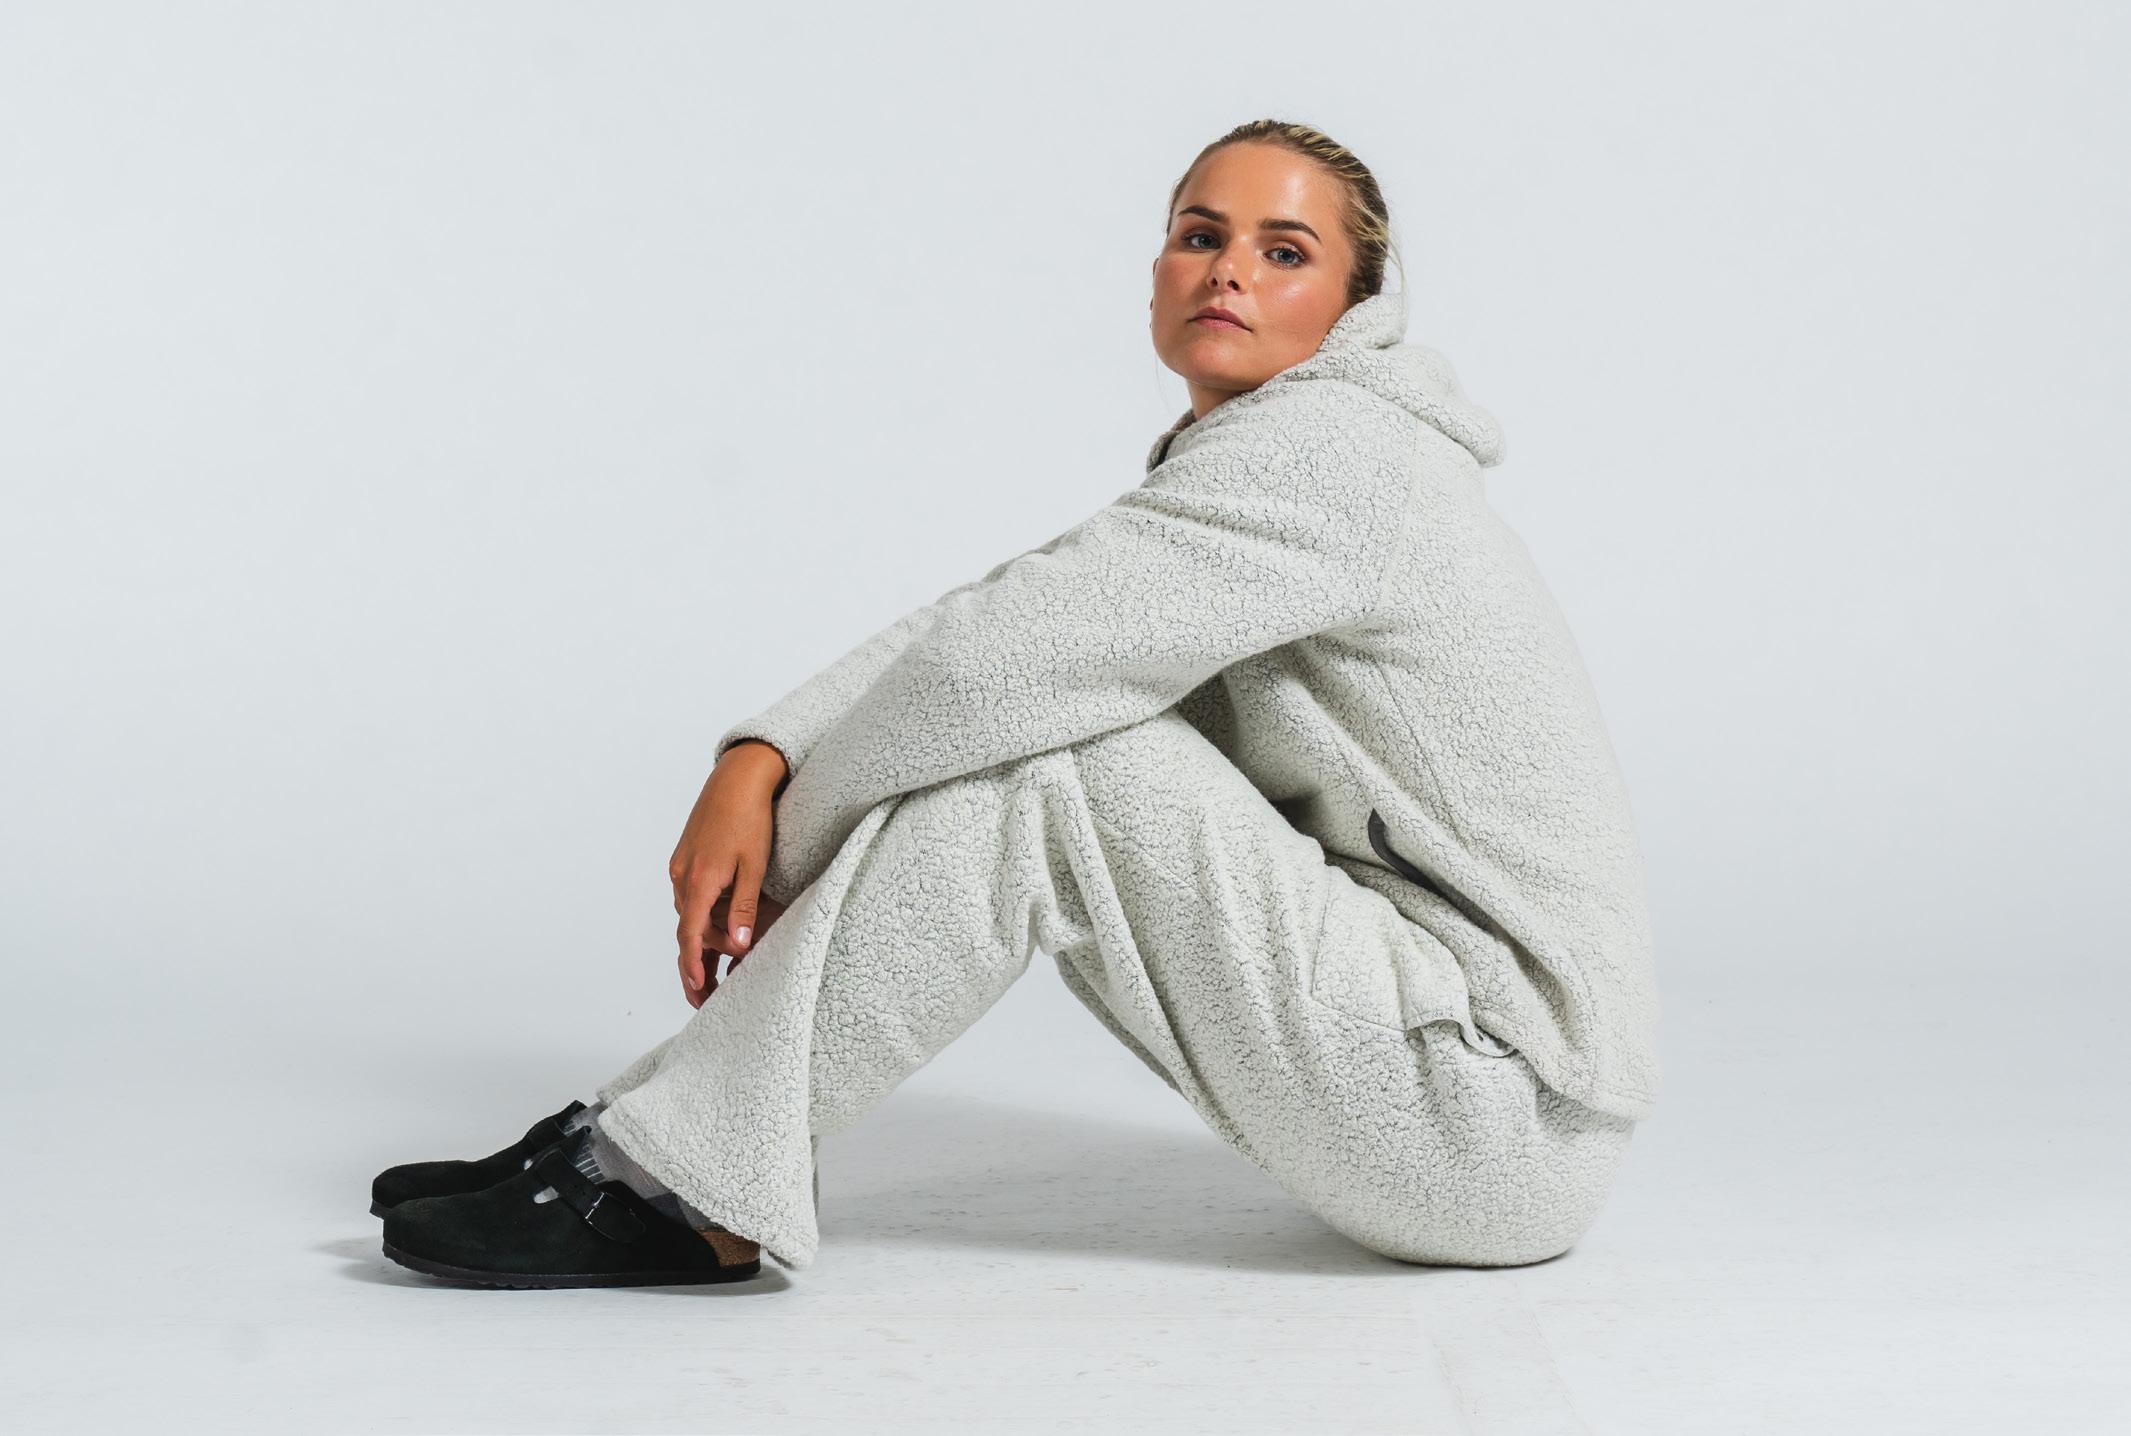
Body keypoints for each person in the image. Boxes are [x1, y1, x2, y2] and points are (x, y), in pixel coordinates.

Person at [372, 118, 1663, 1289]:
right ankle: (651, 1143)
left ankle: (671, 1181)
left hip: (1499, 1117)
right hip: (1445, 1074)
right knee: (1038, 724)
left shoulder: (1340, 455)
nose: (1228, 272)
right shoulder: (1267, 457)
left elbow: (989, 671)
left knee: (1053, 761)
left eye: (1284, 253)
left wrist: (782, 845)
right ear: (1155, 271)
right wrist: (761, 751)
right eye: (1200, 236)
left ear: (1355, 310)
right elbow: (1011, 613)